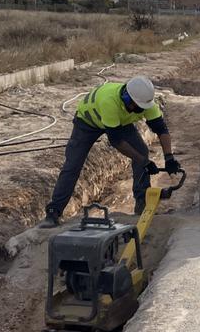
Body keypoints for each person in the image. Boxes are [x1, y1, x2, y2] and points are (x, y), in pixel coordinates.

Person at [38, 76, 180, 228]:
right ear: (127, 98)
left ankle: (142, 200)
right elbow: (117, 141)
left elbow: (161, 130)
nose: (141, 110)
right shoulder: (110, 102)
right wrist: (144, 162)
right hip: (88, 122)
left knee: (141, 151)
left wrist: (169, 157)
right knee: (73, 164)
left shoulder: (146, 103)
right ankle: (54, 211)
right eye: (137, 107)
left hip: (119, 122)